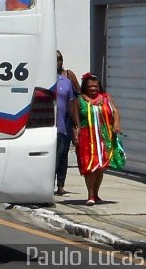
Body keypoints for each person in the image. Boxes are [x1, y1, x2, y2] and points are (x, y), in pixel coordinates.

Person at [75, 73, 122, 206]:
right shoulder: (80, 100)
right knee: (90, 166)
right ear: (85, 87)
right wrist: (75, 133)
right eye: (90, 86)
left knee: (100, 167)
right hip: (86, 137)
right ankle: (90, 194)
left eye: (95, 86)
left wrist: (116, 124)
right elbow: (75, 119)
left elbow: (115, 112)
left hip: (103, 136)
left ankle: (96, 194)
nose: (93, 88)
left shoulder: (106, 98)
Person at [54, 50, 81, 196]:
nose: (58, 61)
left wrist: (77, 124)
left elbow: (73, 102)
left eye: (59, 58)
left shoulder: (67, 79)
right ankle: (48, 184)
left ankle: (61, 185)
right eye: (55, 59)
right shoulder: (42, 78)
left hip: (64, 124)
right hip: (47, 125)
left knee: (63, 155)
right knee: (52, 157)